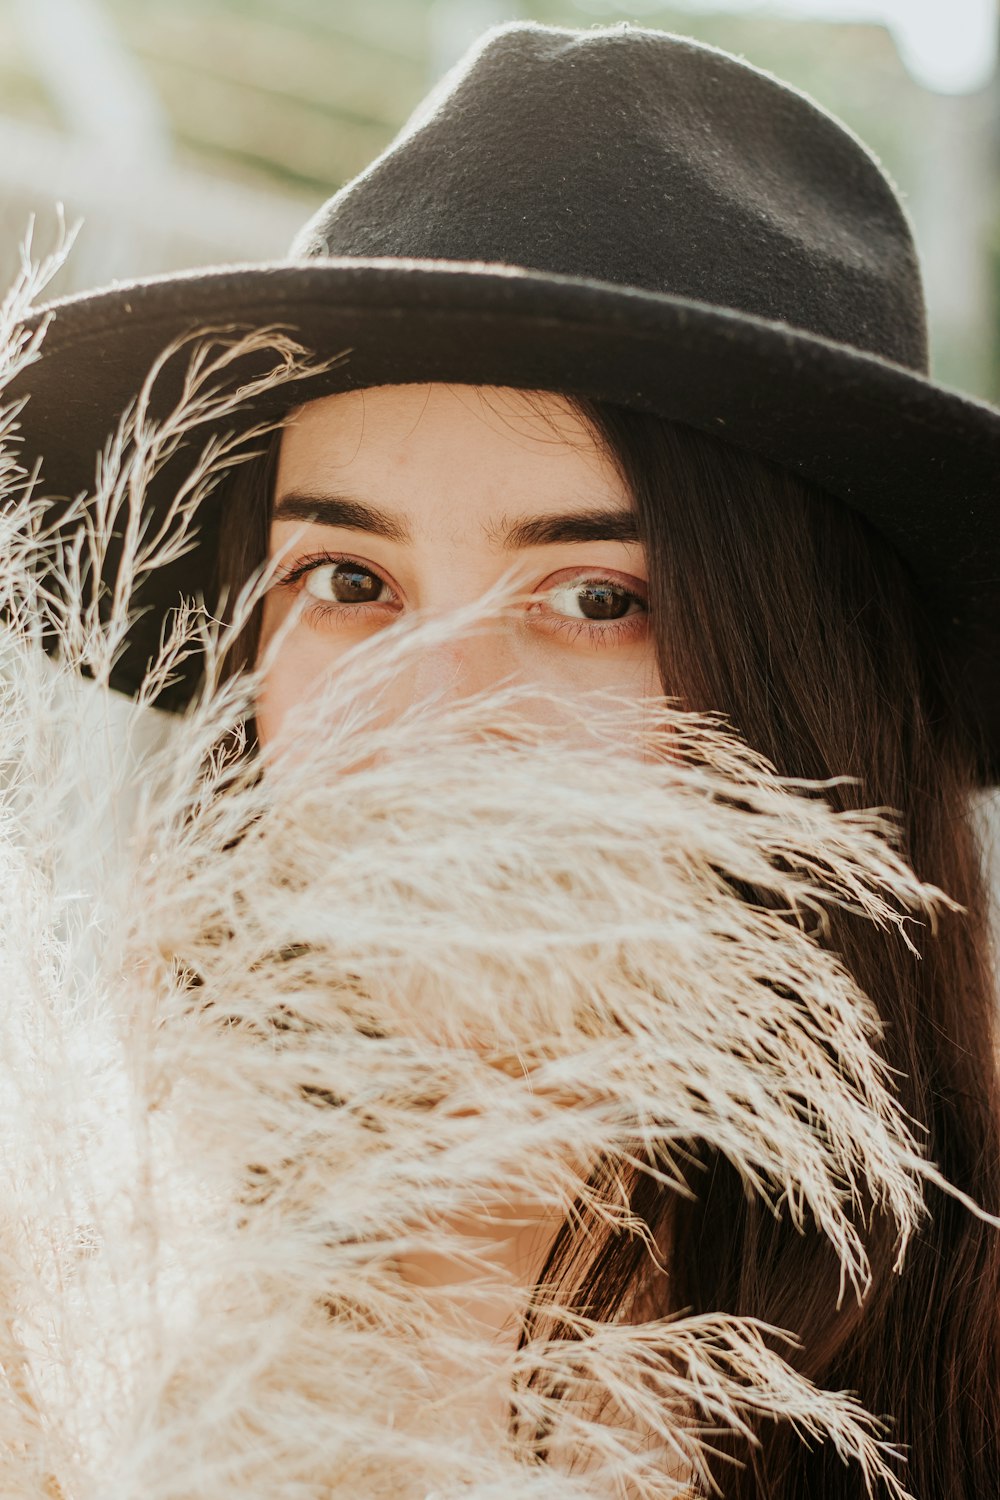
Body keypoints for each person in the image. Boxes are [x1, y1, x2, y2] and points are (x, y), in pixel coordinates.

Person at [6, 19, 1000, 1500]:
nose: (430, 715)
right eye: (348, 582)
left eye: (598, 601)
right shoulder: (76, 1312)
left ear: (816, 701)